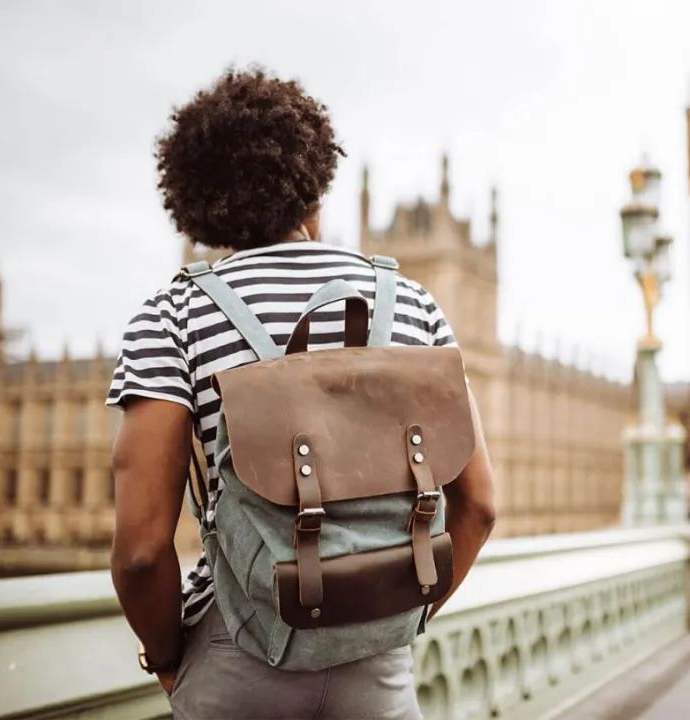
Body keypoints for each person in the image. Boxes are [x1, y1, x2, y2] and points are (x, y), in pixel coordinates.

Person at [107, 67, 497, 719]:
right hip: (380, 665)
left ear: (198, 204)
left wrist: (166, 656)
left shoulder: (171, 313)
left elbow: (143, 552)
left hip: (236, 657)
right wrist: (394, 615)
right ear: (315, 188)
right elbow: (479, 507)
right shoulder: (411, 302)